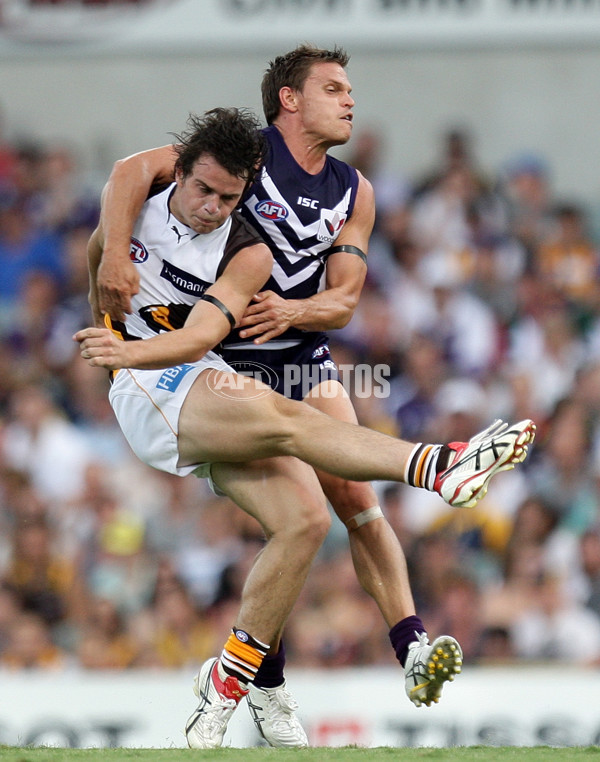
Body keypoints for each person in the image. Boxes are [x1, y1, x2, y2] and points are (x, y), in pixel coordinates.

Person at [85, 61, 535, 748]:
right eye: (335, 89)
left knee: (319, 515)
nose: (351, 101)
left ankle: (271, 678)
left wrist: (295, 308)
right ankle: (439, 466)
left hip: (264, 358)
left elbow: (341, 300)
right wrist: (114, 259)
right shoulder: (230, 157)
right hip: (204, 373)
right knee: (297, 435)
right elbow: (124, 177)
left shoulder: (340, 199)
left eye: (227, 196)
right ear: (289, 100)